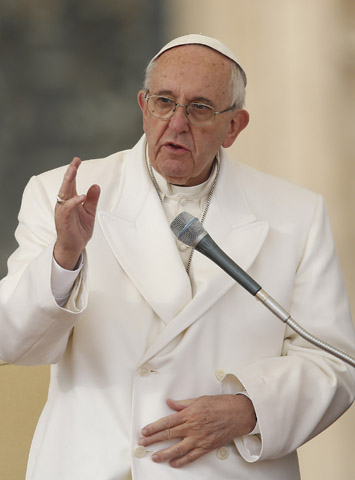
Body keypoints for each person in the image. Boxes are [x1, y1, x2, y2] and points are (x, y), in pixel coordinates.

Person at [0, 33, 354, 480]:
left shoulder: (296, 215)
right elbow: (12, 343)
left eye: (201, 108)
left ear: (235, 126)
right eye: (164, 102)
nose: (178, 122)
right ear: (143, 106)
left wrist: (250, 409)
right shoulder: (60, 194)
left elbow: (334, 362)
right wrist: (64, 257)